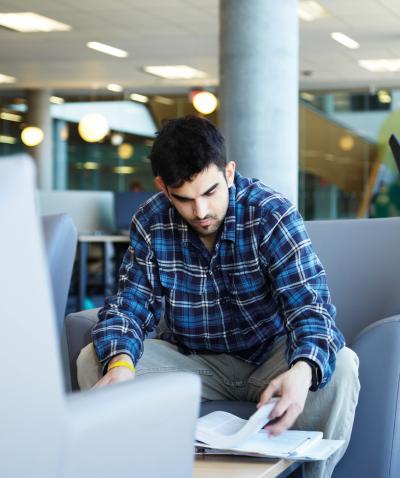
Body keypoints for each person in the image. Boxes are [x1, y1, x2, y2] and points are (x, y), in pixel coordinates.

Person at [78, 116, 360, 478]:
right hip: (195, 364)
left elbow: (310, 306)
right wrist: (120, 365)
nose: (201, 212)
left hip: (270, 361)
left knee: (341, 367)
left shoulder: (271, 214)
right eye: (184, 199)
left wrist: (303, 369)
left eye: (210, 192)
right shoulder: (151, 221)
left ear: (229, 172)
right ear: (163, 188)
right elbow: (130, 307)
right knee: (93, 360)